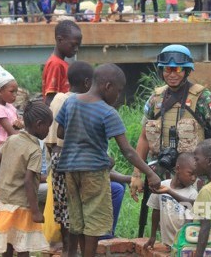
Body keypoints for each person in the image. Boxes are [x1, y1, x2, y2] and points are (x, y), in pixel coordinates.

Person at [56, 63, 161, 257]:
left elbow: (60, 132)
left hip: (69, 170)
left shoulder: (71, 102)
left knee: (77, 220)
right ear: (108, 86)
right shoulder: (108, 112)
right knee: (94, 222)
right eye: (119, 91)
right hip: (94, 173)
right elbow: (128, 151)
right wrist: (150, 173)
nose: (119, 96)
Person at [130, 45, 211, 236]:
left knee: (195, 221)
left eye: (177, 69)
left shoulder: (203, 98)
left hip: (194, 174)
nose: (172, 74)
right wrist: (137, 174)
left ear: (186, 70)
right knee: (163, 220)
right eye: (167, 69)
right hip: (162, 170)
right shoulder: (156, 99)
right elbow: (144, 137)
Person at [0, 100, 52, 256]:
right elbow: (29, 181)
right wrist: (36, 211)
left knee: (8, 245)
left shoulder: (12, 139)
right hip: (23, 205)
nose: (49, 130)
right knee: (23, 246)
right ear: (38, 124)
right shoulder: (35, 150)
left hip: (5, 202)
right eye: (48, 126)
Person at [45, 61, 94, 253]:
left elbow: (50, 138)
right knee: (77, 207)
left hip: (56, 157)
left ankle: (67, 248)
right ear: (88, 83)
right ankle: (75, 249)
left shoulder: (57, 99)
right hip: (74, 160)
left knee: (62, 207)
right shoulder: (82, 102)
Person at [143, 153, 198, 250]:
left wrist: (182, 243)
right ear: (177, 169)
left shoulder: (192, 194)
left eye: (196, 175)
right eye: (190, 173)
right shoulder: (163, 185)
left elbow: (189, 222)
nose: (194, 178)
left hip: (182, 244)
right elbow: (156, 210)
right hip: (167, 243)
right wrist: (153, 236)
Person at [42, 20, 82, 106]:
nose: (76, 49)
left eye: (78, 46)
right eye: (73, 45)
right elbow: (50, 100)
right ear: (60, 40)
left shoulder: (61, 64)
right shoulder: (55, 64)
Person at [0, 65, 23, 152]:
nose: (15, 95)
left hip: (13, 145)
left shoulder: (10, 106)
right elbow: (12, 132)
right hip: (4, 149)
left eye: (16, 91)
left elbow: (18, 123)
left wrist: (20, 123)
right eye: (12, 91)